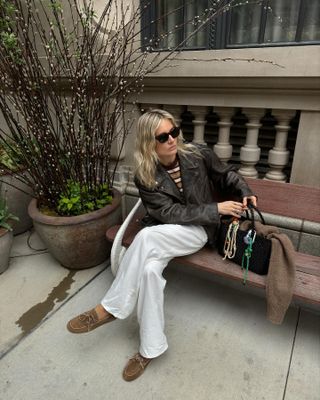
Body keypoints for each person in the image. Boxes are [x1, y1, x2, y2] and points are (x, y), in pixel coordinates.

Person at [67, 109, 257, 382]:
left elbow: (226, 175)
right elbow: (168, 214)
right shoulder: (145, 176)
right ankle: (150, 349)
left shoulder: (198, 154)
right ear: (148, 142)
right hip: (167, 233)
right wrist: (215, 207)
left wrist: (245, 192)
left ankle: (111, 308)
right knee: (149, 273)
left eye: (174, 132)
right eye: (163, 136)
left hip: (201, 230)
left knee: (145, 237)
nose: (172, 139)